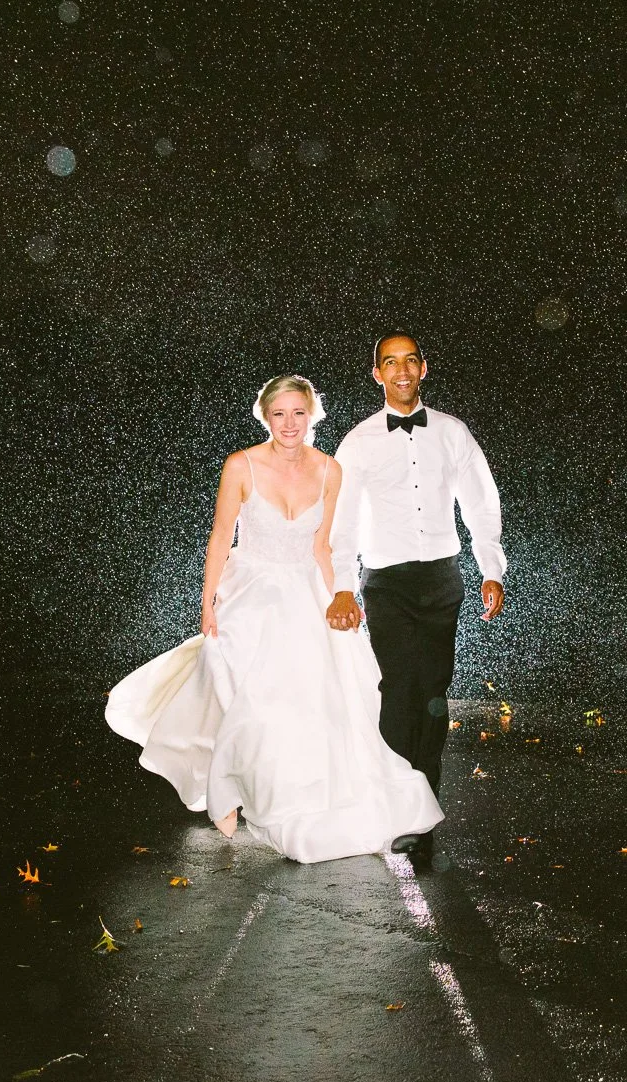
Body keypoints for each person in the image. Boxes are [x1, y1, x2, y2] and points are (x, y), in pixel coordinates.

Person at [104, 374, 443, 864]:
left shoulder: (331, 471)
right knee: (249, 697)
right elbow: (221, 537)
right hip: (252, 594)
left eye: (298, 413)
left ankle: (283, 797)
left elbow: (323, 546)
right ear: (265, 416)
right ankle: (226, 788)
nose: (289, 423)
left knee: (308, 703)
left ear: (312, 416)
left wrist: (343, 596)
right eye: (279, 413)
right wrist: (207, 602)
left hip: (306, 591)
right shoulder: (240, 465)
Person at [326, 332, 505, 868]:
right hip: (386, 581)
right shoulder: (357, 442)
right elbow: (343, 522)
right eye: (389, 363)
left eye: (410, 361)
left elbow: (481, 501)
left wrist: (490, 569)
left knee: (432, 692)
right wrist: (343, 583)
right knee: (399, 687)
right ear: (376, 373)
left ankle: (422, 809)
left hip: (443, 579)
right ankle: (397, 808)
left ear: (423, 369)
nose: (400, 371)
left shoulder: (452, 433)